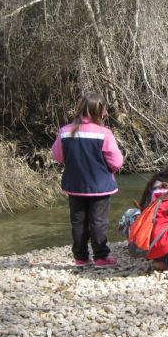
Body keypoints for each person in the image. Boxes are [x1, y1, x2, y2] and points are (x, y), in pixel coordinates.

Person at [52, 92, 123, 268]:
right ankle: (101, 257)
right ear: (100, 111)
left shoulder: (65, 131)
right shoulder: (104, 133)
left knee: (78, 222)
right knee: (99, 221)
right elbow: (116, 162)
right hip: (100, 186)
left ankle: (81, 257)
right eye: (105, 110)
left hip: (74, 185)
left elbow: (58, 156)